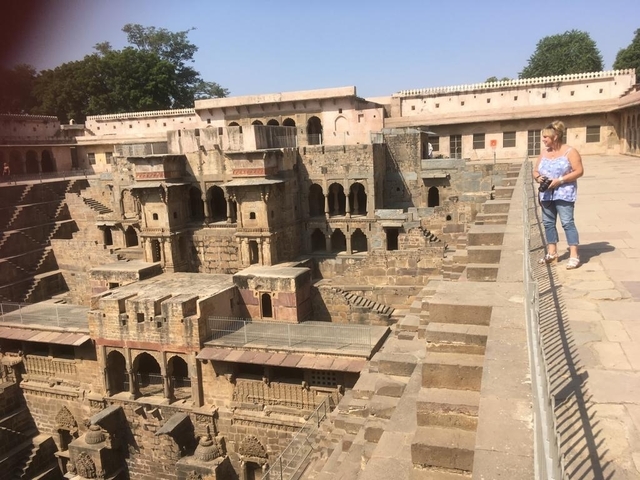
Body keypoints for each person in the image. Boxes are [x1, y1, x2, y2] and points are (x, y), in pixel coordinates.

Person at [533, 120, 584, 269]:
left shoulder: (570, 152)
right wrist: (538, 177)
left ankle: (574, 255)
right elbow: (535, 171)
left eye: (545, 137)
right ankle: (552, 253)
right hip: (547, 195)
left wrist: (560, 180)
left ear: (555, 137)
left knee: (567, 222)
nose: (543, 140)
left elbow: (579, 171)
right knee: (548, 223)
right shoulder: (544, 153)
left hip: (564, 193)